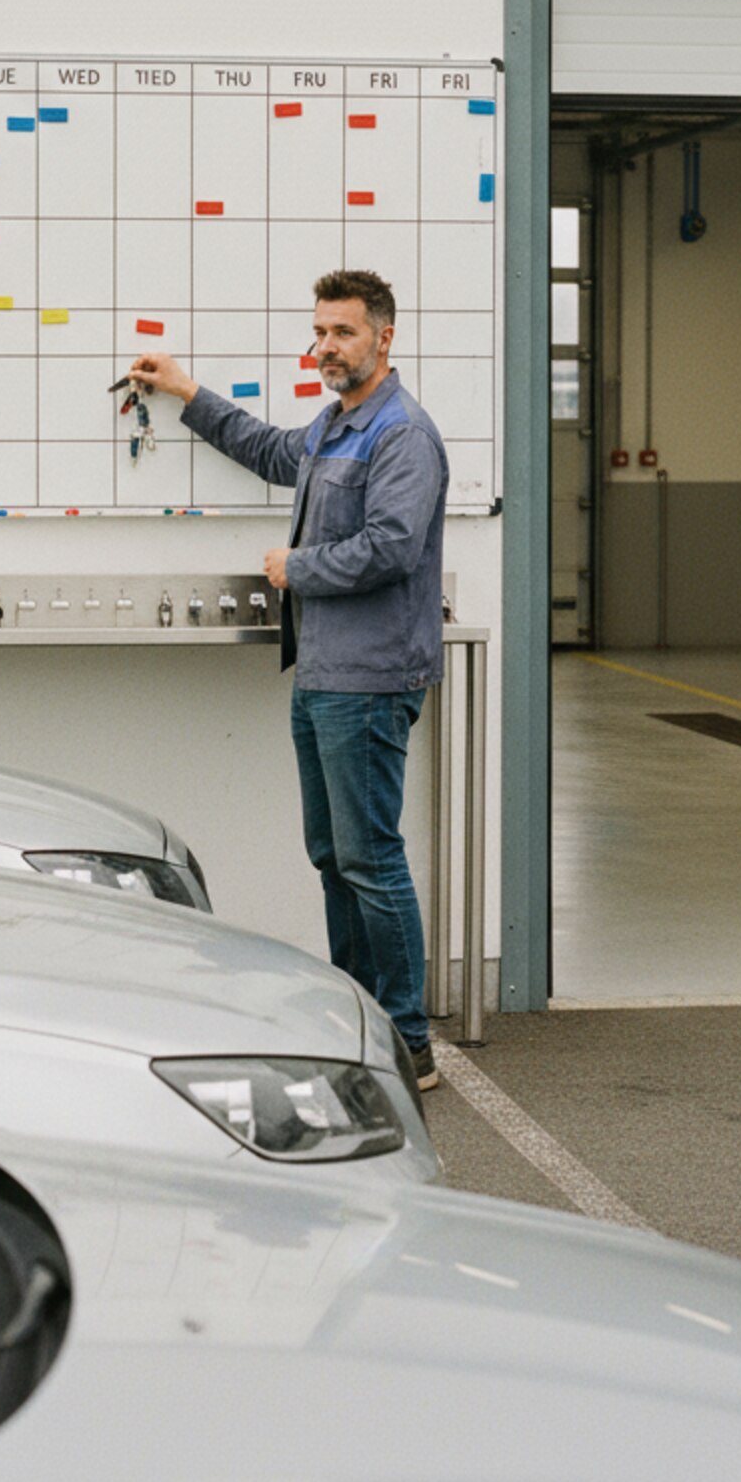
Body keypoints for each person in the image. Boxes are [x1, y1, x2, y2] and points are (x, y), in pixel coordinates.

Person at [130, 269, 448, 1089]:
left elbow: (392, 547)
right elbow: (272, 450)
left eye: (342, 332)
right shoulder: (336, 423)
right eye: (319, 332)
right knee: (333, 853)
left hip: (371, 678)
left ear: (385, 337)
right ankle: (357, 1017)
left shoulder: (401, 433)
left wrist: (296, 566)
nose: (325, 347)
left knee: (370, 857)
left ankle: (408, 1040)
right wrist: (187, 391)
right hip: (324, 674)